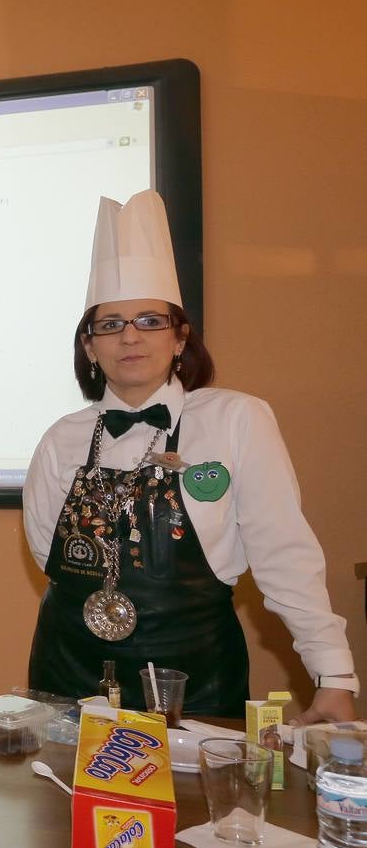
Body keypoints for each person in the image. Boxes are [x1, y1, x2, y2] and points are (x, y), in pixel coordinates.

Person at [23, 190, 356, 724]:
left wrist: (333, 673)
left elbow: (283, 553)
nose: (129, 337)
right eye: (110, 324)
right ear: (89, 347)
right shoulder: (61, 439)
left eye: (150, 321)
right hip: (69, 680)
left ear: (180, 338)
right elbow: (48, 555)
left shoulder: (237, 420)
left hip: (194, 683)